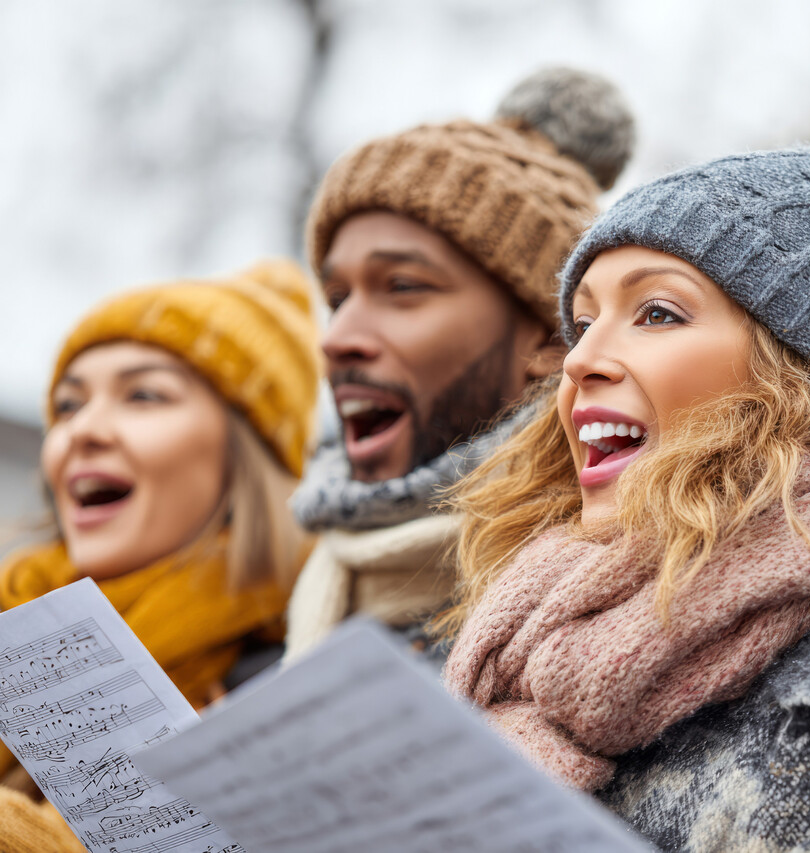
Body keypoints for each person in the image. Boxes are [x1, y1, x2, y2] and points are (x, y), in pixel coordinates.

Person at [442, 141, 810, 852]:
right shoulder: (536, 646)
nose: (579, 360)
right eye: (586, 322)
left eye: (657, 313)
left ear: (799, 377)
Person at [283, 67, 635, 663]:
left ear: (554, 339)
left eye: (401, 286)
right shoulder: (311, 586)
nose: (336, 338)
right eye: (337, 299)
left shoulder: (615, 597)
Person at [0, 260, 318, 849]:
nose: (83, 430)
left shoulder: (303, 675)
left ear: (243, 454)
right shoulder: (11, 620)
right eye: (68, 405)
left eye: (143, 395)